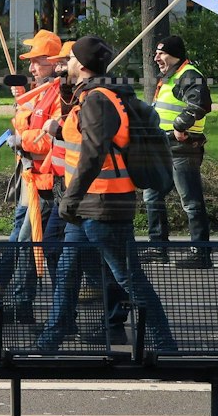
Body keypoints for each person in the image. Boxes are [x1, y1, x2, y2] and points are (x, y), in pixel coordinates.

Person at [35, 36, 177, 355]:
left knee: (129, 279)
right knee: (67, 275)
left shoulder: (99, 99)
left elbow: (95, 151)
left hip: (103, 206)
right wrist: (59, 128)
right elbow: (85, 135)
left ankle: (165, 345)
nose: (64, 64)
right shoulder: (90, 96)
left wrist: (70, 198)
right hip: (87, 206)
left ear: (82, 66)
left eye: (69, 59)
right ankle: (50, 340)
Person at [0, 31, 66, 316]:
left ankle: (22, 296)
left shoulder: (58, 94)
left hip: (48, 182)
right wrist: (23, 103)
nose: (31, 68)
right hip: (33, 177)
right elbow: (28, 126)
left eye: (37, 62)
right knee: (30, 241)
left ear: (53, 62)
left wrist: (22, 139)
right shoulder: (41, 92)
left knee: (34, 244)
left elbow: (49, 136)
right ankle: (26, 301)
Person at [146, 35, 211, 263]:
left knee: (191, 202)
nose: (156, 58)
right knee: (152, 197)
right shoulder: (172, 77)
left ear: (175, 55)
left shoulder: (189, 75)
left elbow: (200, 104)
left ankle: (200, 253)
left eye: (161, 53)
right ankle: (157, 248)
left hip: (182, 148)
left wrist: (179, 126)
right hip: (163, 148)